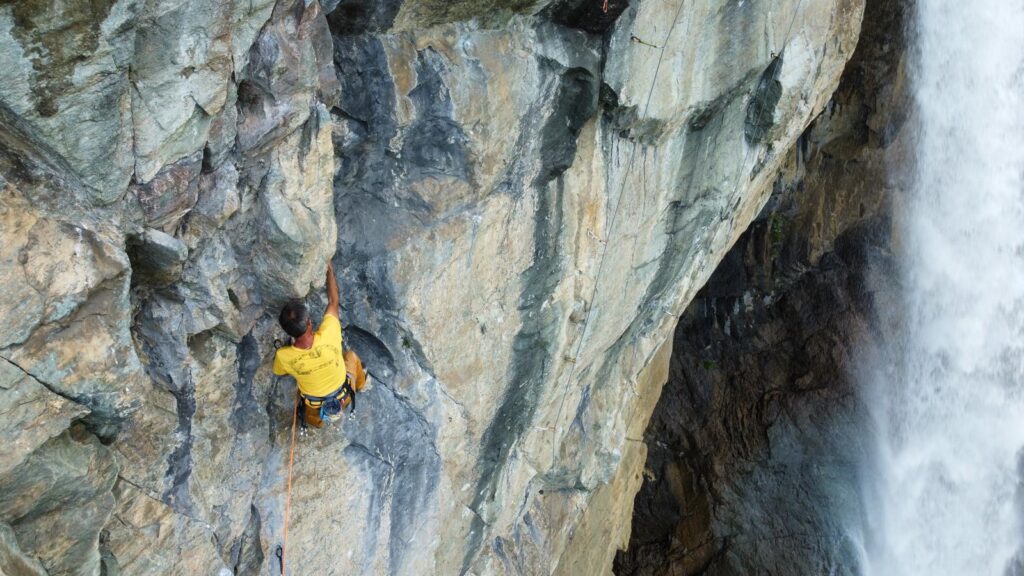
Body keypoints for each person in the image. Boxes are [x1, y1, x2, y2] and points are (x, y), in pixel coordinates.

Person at [273, 261, 367, 428]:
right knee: (351, 356)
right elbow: (333, 301)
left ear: (288, 332)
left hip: (315, 405)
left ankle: (317, 423)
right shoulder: (329, 332)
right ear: (309, 322)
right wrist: (329, 270)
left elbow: (281, 372)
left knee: (311, 417)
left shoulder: (284, 356)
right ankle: (360, 384)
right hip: (345, 395)